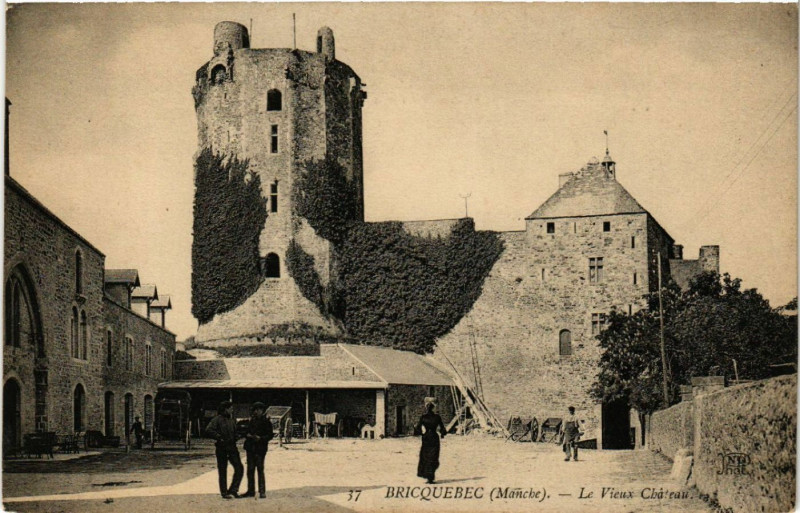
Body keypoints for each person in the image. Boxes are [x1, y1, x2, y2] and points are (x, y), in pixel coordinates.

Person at [205, 401, 244, 499]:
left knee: (239, 468)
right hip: (221, 447)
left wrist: (237, 436)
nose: (232, 410)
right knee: (223, 470)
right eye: (230, 408)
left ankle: (233, 490)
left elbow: (235, 432)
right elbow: (209, 430)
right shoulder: (216, 420)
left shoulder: (232, 421)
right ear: (225, 409)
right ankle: (224, 492)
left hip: (232, 447)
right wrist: (219, 437)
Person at [242, 401, 273, 499]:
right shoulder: (251, 421)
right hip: (250, 448)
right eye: (255, 410)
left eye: (258, 410)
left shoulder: (267, 422)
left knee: (260, 469)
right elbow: (245, 431)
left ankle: (262, 491)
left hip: (260, 449)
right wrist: (247, 435)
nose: (256, 412)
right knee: (250, 470)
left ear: (262, 411)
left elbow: (270, 435)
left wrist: (261, 438)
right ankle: (250, 491)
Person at [415, 398, 446, 484]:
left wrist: (421, 433)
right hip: (434, 437)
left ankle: (428, 476)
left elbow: (417, 429)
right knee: (433, 457)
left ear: (426, 408)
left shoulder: (423, 417)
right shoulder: (437, 417)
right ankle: (431, 476)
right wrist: (442, 434)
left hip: (426, 438)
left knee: (425, 457)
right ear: (433, 408)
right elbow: (443, 429)